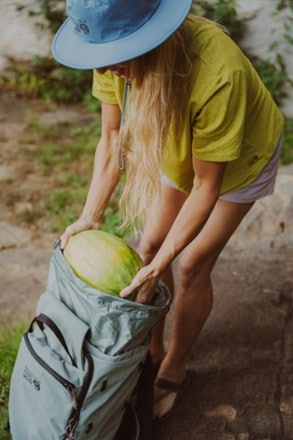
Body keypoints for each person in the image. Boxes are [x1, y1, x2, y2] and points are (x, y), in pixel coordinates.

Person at [52, 0, 284, 422]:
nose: (103, 71)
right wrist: (91, 215)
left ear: (147, 39)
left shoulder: (219, 75)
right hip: (176, 144)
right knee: (149, 247)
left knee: (191, 262)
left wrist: (166, 262)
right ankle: (152, 349)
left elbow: (206, 185)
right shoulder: (112, 55)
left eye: (114, 60)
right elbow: (112, 138)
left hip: (237, 162)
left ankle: (175, 367)